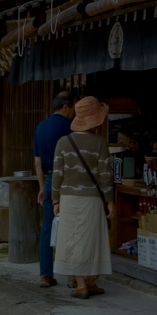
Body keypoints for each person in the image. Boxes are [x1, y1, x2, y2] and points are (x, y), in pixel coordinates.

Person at [51, 96, 115, 299]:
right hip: (93, 198)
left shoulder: (63, 142)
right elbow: (105, 175)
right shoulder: (100, 143)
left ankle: (80, 284)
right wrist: (110, 201)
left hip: (68, 198)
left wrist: (55, 199)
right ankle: (91, 281)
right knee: (93, 238)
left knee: (72, 239)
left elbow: (57, 173)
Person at [33, 91, 77, 288]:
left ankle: (45, 274)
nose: (74, 113)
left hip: (50, 179)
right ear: (66, 107)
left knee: (47, 227)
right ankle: (72, 276)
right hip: (68, 179)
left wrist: (42, 187)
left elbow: (37, 162)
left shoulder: (41, 127)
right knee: (71, 227)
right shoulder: (71, 127)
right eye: (73, 108)